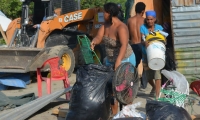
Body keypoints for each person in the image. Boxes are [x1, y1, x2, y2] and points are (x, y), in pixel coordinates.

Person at [90, 2, 136, 115]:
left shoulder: (121, 27)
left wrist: (118, 61)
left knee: (125, 90)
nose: (102, 13)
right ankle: (115, 116)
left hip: (125, 59)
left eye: (104, 11)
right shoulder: (104, 25)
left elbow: (124, 45)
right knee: (111, 90)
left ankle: (127, 115)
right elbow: (99, 37)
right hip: (110, 60)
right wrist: (94, 41)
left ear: (109, 13)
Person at [140, 10, 163, 99]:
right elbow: (141, 40)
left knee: (157, 75)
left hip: (157, 54)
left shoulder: (159, 28)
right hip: (146, 54)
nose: (149, 21)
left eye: (151, 19)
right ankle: (153, 87)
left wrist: (163, 42)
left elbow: (164, 39)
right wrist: (144, 42)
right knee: (149, 76)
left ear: (155, 19)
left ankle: (157, 96)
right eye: (148, 19)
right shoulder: (143, 28)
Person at [127, 2, 146, 68]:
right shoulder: (144, 20)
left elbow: (128, 35)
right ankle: (144, 78)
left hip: (133, 46)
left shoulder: (129, 20)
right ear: (143, 11)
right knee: (146, 64)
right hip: (142, 45)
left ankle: (134, 77)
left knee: (134, 66)